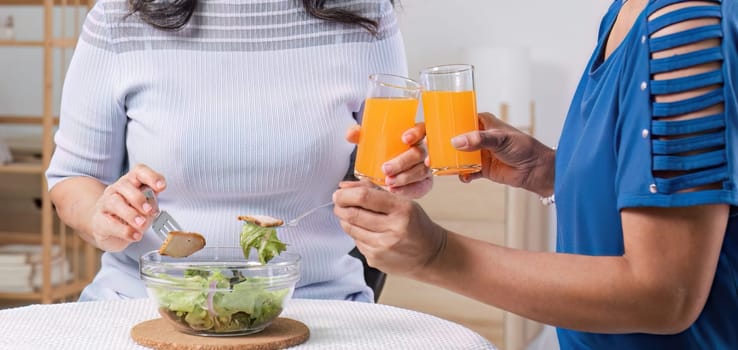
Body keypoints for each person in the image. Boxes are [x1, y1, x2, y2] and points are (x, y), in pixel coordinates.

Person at [333, 0, 737, 348]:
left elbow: (663, 296)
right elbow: (652, 191)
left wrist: (436, 254)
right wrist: (546, 170)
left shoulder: (681, 29)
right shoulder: (625, 14)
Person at [46, 0, 432, 303]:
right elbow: (72, 179)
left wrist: (404, 172)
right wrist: (101, 216)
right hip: (144, 298)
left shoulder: (366, 14)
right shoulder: (119, 16)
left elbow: (383, 172)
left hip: (317, 300)